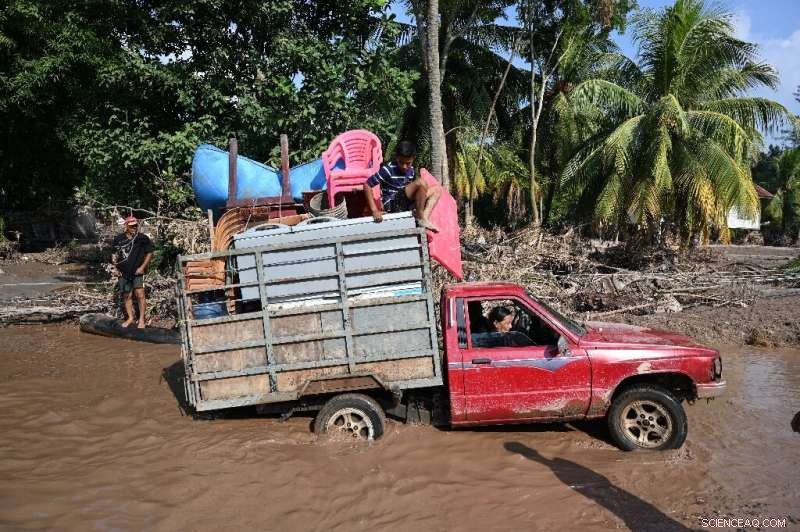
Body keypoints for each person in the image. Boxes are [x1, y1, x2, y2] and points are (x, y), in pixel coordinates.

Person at [363, 141, 441, 232]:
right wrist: (374, 210)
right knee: (421, 183)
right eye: (401, 162)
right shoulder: (388, 169)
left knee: (437, 189)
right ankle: (421, 217)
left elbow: (411, 192)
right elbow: (367, 185)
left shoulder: (411, 170)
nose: (404, 166)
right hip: (392, 204)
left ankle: (424, 218)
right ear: (397, 158)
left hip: (405, 203)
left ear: (413, 159)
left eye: (408, 163)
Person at [112, 216, 154, 328]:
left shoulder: (142, 238)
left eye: (135, 225)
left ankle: (141, 320)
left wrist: (142, 267)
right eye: (131, 226)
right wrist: (115, 269)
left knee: (140, 295)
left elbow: (149, 253)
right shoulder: (118, 239)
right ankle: (130, 318)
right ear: (126, 226)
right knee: (127, 295)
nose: (134, 228)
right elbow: (114, 254)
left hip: (137, 272)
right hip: (123, 273)